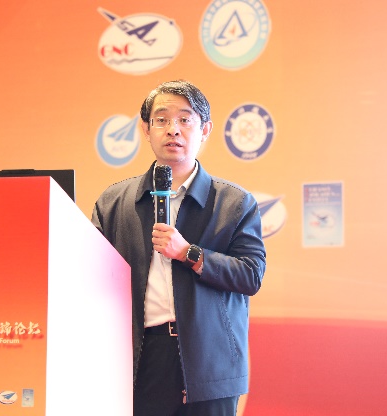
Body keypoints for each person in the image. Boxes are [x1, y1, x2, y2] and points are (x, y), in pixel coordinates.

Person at [91, 80, 266, 416]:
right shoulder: (114, 203)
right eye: (162, 120)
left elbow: (251, 275)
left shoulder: (234, 203)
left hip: (209, 360)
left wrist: (189, 253)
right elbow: (95, 280)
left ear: (205, 130)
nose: (173, 129)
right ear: (146, 129)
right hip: (141, 359)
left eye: (185, 120)